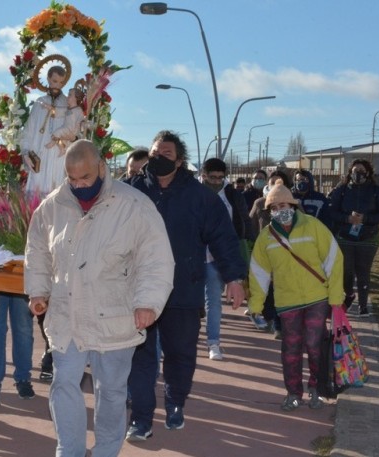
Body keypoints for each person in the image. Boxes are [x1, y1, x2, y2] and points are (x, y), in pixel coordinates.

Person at [25, 139, 174, 457]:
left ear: (102, 169)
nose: (78, 186)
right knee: (64, 382)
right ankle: (70, 450)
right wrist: (38, 290)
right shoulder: (51, 206)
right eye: (72, 179)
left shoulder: (133, 205)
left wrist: (148, 301)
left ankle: (106, 450)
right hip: (67, 313)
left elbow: (155, 257)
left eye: (86, 179)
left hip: (115, 311)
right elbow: (36, 250)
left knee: (112, 390)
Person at [126, 131, 246, 441]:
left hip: (183, 290)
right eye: (155, 152)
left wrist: (234, 278)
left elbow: (224, 238)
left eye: (166, 154)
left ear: (180, 161)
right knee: (140, 356)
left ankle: (176, 403)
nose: (158, 159)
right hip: (139, 291)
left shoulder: (200, 197)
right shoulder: (131, 192)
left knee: (180, 355)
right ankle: (141, 418)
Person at [247, 179, 344, 411]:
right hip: (287, 301)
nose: (280, 211)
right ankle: (293, 392)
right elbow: (259, 273)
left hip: (317, 298)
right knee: (290, 349)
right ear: (269, 211)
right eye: (274, 208)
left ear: (293, 205)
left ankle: (315, 390)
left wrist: (336, 298)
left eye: (283, 206)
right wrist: (256, 306)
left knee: (314, 345)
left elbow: (334, 260)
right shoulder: (266, 237)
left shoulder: (313, 226)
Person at [200, 158, 254, 360]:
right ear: (204, 176)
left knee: (213, 301)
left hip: (219, 258)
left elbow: (242, 220)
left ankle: (213, 342)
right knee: (190, 303)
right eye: (212, 178)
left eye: (221, 178)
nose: (216, 182)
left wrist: (245, 242)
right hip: (195, 257)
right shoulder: (194, 193)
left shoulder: (231, 194)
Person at [328, 159, 379, 316]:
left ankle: (363, 306)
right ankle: (349, 294)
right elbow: (331, 212)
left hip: (368, 237)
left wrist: (366, 219)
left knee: (363, 272)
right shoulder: (342, 190)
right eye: (355, 171)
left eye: (361, 171)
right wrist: (347, 218)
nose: (358, 174)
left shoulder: (376, 190)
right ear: (350, 173)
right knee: (346, 271)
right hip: (345, 236)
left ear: (368, 173)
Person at [248, 170, 294, 335]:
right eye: (272, 182)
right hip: (265, 253)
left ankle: (280, 325)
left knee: (282, 290)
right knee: (266, 289)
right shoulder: (259, 204)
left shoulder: (294, 205)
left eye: (279, 183)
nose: (275, 186)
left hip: (287, 254)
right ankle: (269, 318)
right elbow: (250, 226)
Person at [20, 64, 71, 196]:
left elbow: (72, 130)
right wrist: (26, 153)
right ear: (48, 79)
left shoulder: (68, 104)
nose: (57, 86)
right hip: (40, 156)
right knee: (37, 199)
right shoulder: (39, 103)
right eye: (54, 81)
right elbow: (28, 131)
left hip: (59, 158)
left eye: (61, 82)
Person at [46, 87, 85, 156]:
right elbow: (58, 111)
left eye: (70, 95)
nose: (67, 97)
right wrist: (50, 108)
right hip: (65, 128)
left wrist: (80, 128)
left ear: (76, 98)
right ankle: (62, 149)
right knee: (59, 137)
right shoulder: (68, 109)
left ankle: (53, 143)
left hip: (72, 130)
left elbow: (81, 121)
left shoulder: (78, 110)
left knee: (56, 133)